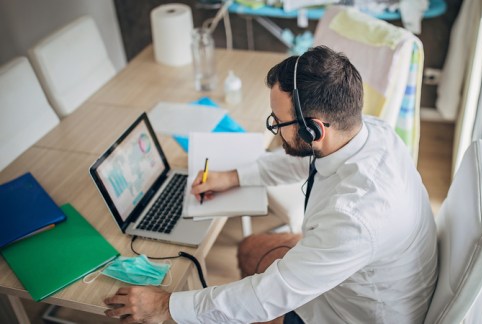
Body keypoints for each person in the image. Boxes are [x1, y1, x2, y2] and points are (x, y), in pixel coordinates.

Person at [103, 45, 438, 323]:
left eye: (278, 123)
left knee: (251, 296)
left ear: (314, 130)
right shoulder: (367, 131)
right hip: (357, 279)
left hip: (351, 315)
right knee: (250, 249)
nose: (275, 131)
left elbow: (266, 296)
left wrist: (165, 306)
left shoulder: (354, 216)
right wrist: (233, 177)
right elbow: (306, 158)